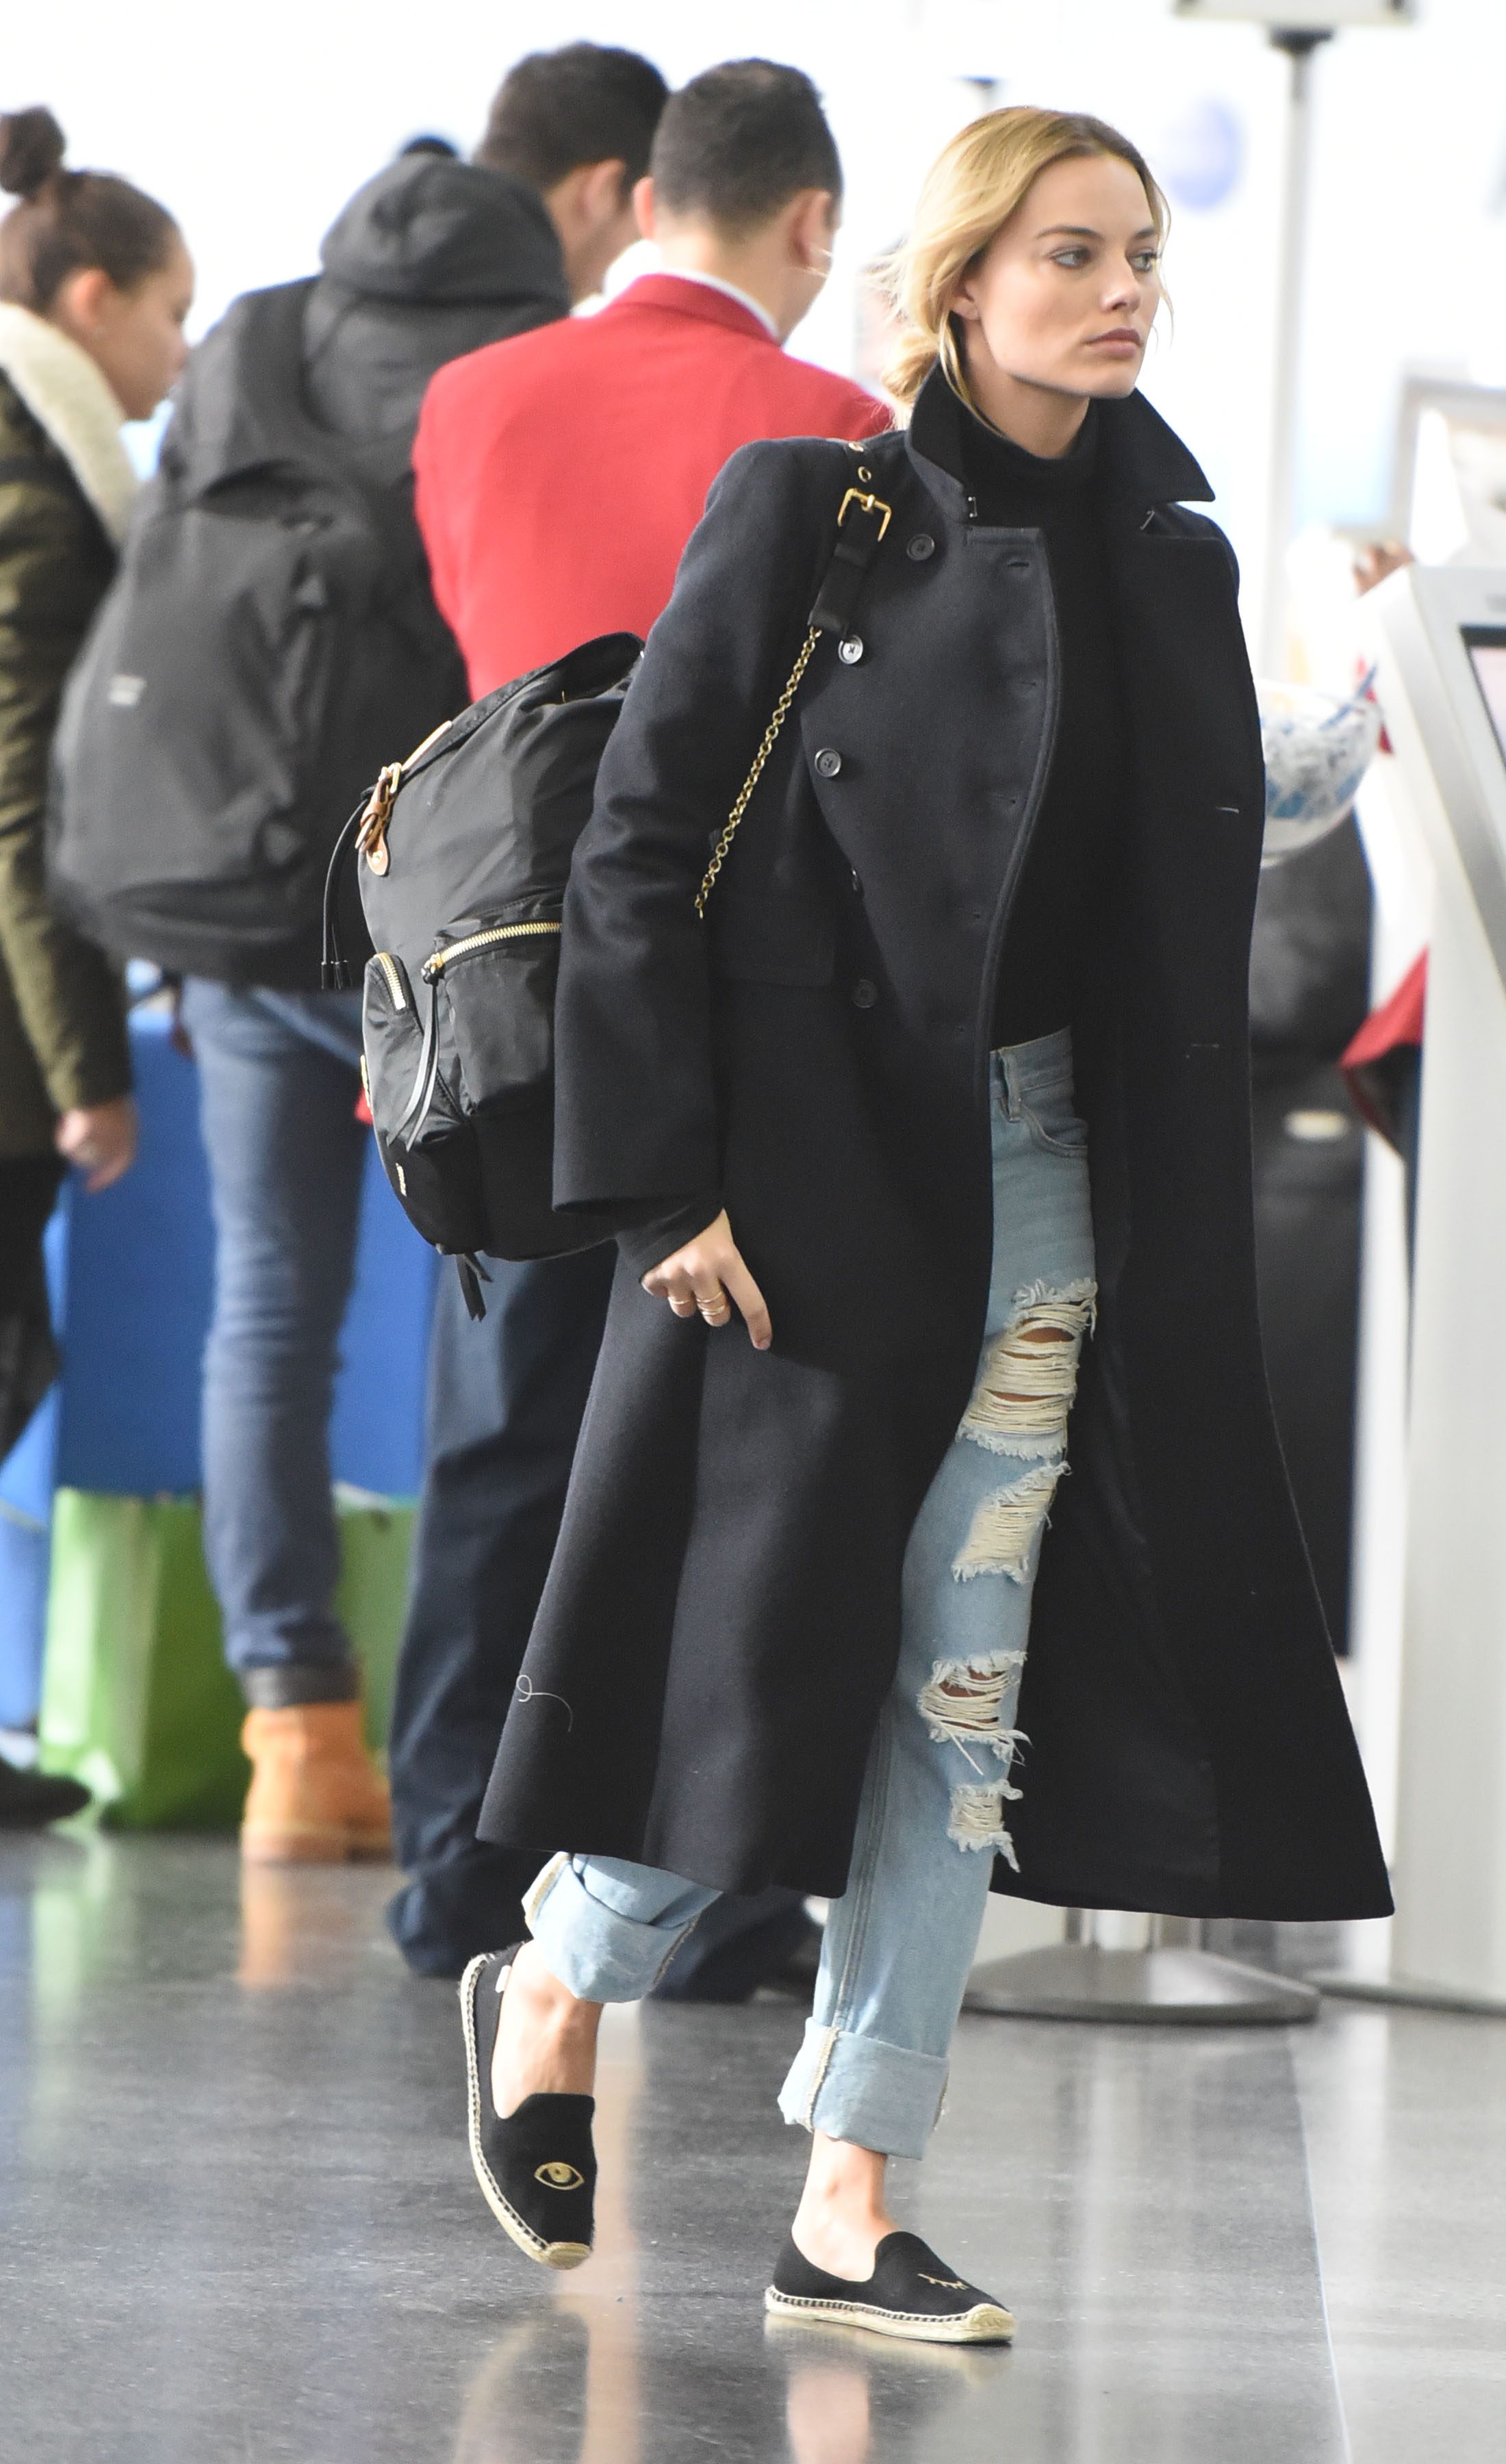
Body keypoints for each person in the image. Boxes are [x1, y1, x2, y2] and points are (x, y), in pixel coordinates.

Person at [456, 105, 1392, 2340]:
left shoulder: (1168, 555)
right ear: (959, 282)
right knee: (771, 1655)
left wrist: (1370, 684)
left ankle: (854, 2186)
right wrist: (662, 1179)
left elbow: (1214, 829)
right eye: (1070, 251)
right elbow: (642, 848)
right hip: (809, 1175)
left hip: (1055, 1164)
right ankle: (560, 1971)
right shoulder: (812, 510)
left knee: (961, 1679)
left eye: (1141, 250)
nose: (1124, 288)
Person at [389, 60, 892, 1981]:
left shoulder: (473, 394)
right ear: (811, 224)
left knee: (496, 1454)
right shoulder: (833, 426)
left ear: (650, 195)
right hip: (729, 1026)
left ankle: (453, 1874)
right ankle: (717, 1892)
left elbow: (492, 680)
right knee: (719, 1474)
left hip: (494, 1001)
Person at [163, 47, 667, 1867]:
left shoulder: (263, 329)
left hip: (237, 893)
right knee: (499, 1325)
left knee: (267, 1314)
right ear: (601, 191)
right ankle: (485, 1783)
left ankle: (295, 1740)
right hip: (443, 929)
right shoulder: (534, 360)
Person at [0, 107, 190, 1829]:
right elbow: (16, 797)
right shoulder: (36, 479)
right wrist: (87, 1068)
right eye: (170, 313)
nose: (178, 356)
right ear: (89, 299)